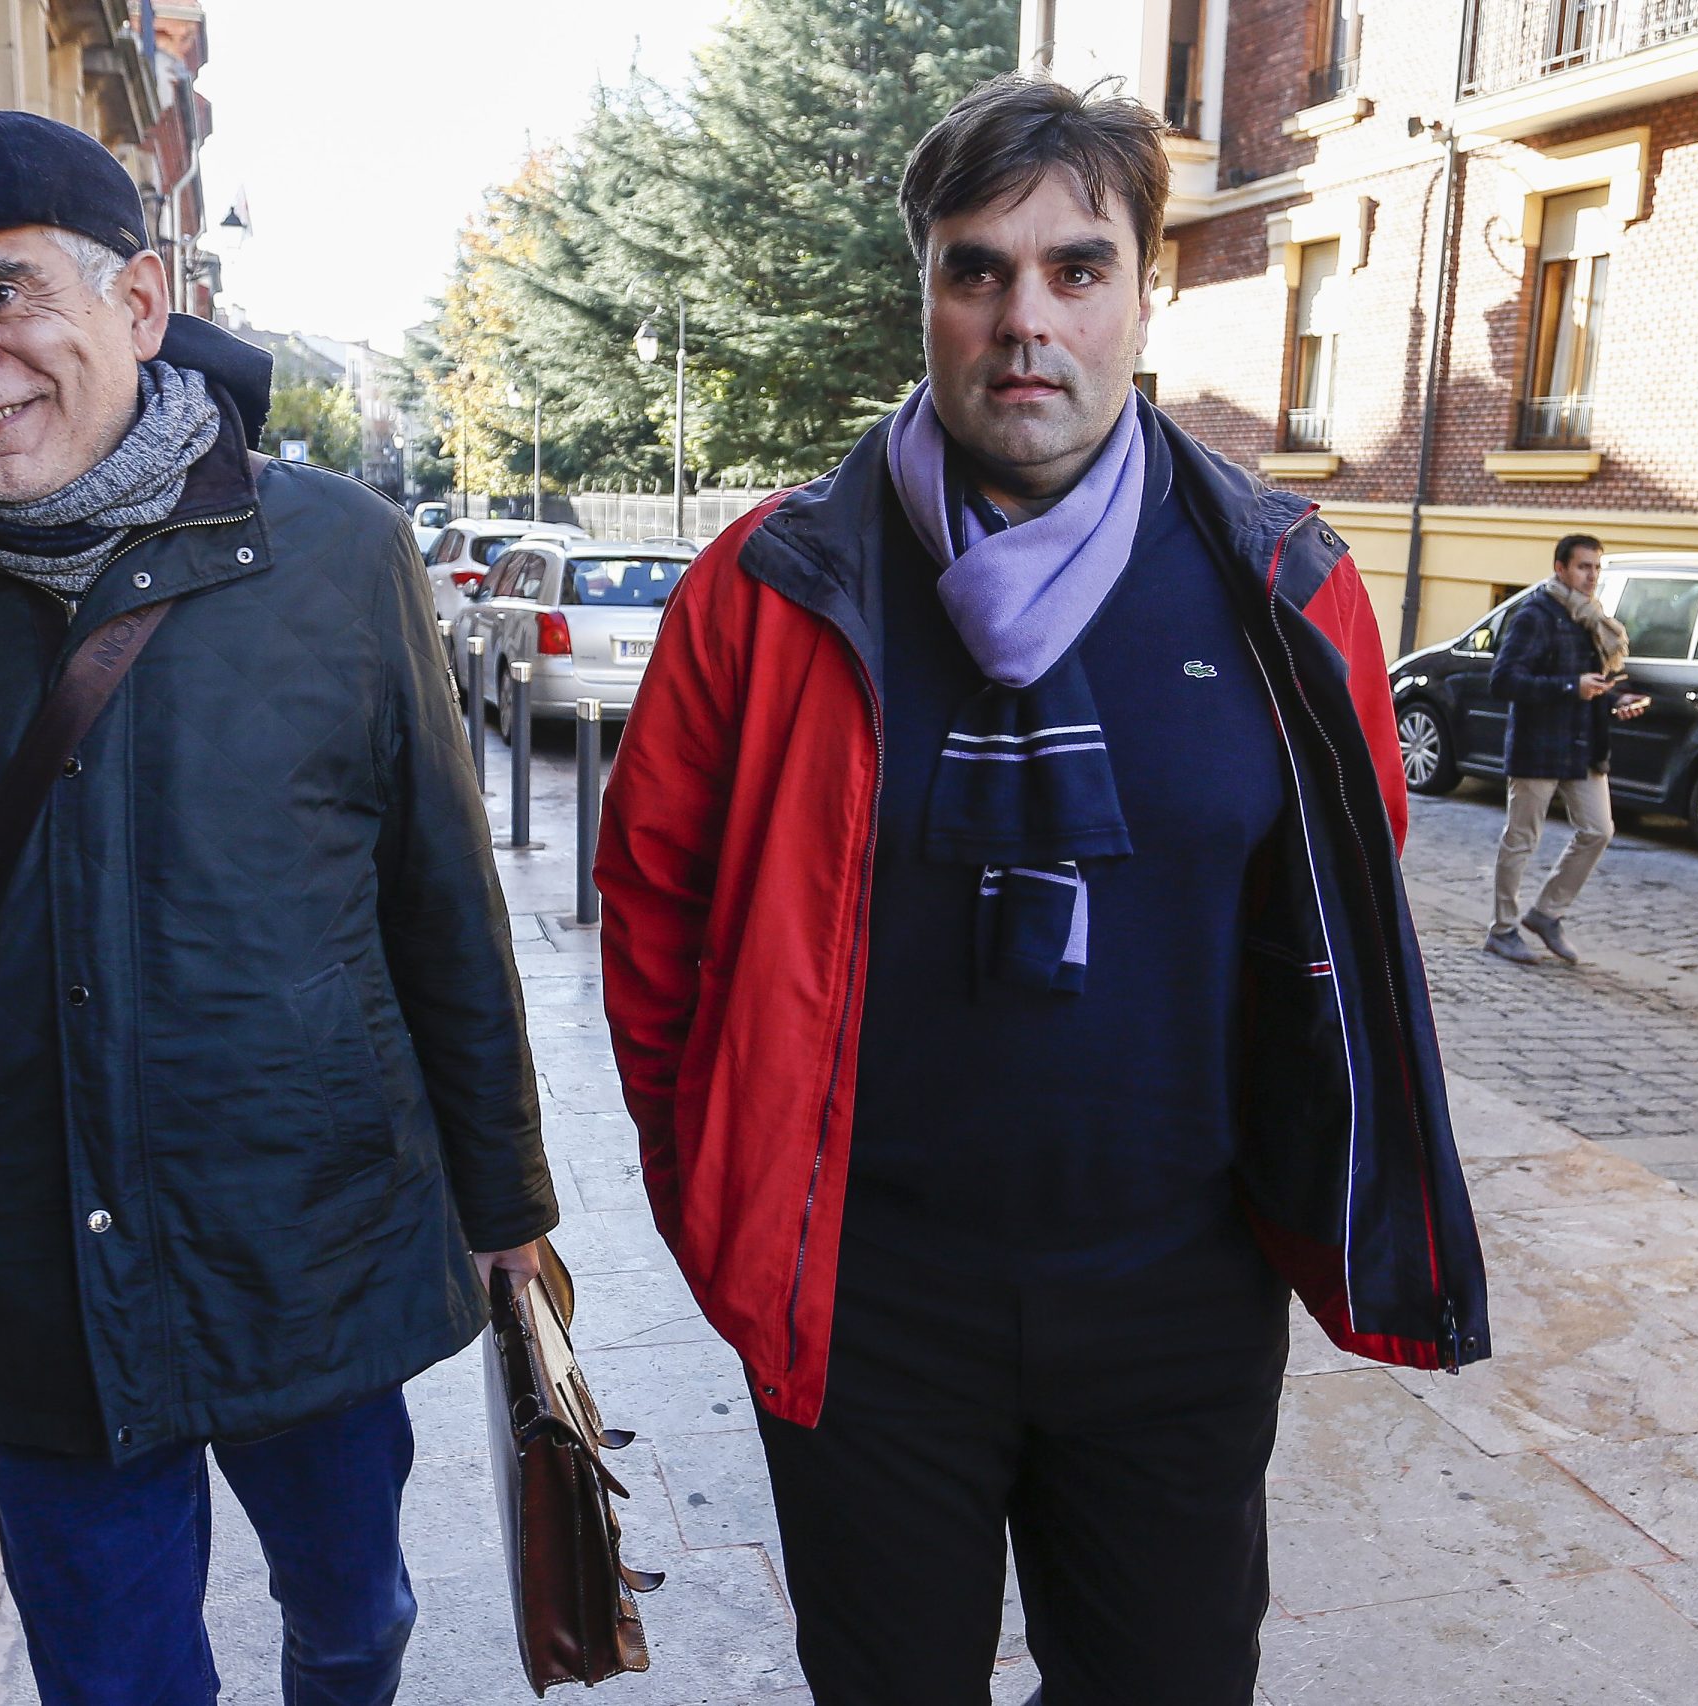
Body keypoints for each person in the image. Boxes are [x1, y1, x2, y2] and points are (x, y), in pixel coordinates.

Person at [595, 76, 1490, 1706]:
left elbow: (1336, 914)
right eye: (976, 268)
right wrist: (718, 1194)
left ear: (1150, 293)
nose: (1027, 319)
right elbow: (655, 913)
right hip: (867, 1311)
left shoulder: (1286, 585)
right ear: (925, 290)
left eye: (1078, 269)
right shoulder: (769, 586)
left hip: (1176, 1303)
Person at [0, 110, 555, 1706]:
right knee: (114, 1683)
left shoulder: (336, 550)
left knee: (356, 1620)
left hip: (308, 1233)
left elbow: (438, 891)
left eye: (1, 293)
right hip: (25, 1255)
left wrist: (504, 1191)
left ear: (137, 302)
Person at [1485, 533, 1647, 965]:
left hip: (1583, 745)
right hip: (1538, 745)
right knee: (1521, 839)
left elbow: (1592, 686)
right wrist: (1569, 687)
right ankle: (1502, 930)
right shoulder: (1534, 615)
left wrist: (1615, 702)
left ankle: (1546, 914)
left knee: (1599, 830)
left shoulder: (1591, 618)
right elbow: (1503, 681)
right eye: (1583, 567)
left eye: (1596, 567)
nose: (1591, 576)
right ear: (1561, 568)